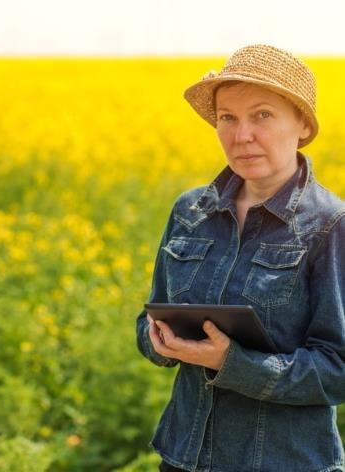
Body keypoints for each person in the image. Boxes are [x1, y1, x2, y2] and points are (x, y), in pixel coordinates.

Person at [135, 44, 345, 472]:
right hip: (182, 458)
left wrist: (232, 364)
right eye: (227, 117)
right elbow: (148, 321)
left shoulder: (330, 225)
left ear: (302, 124)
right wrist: (161, 342)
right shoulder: (190, 211)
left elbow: (337, 368)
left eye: (262, 115)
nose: (241, 135)